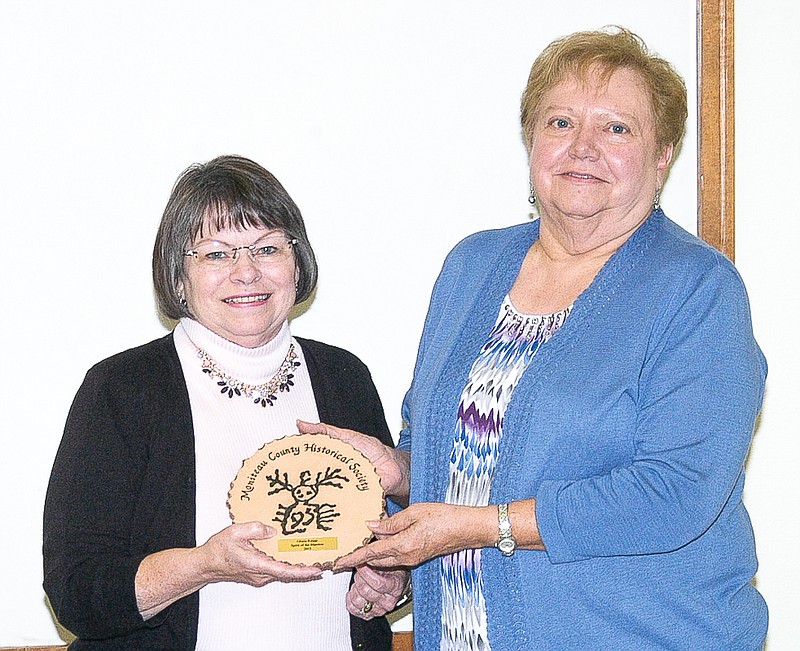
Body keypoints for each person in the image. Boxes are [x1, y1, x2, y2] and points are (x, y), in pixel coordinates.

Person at [300, 27, 768, 650]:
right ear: (531, 141)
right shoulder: (472, 266)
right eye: (560, 122)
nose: (583, 148)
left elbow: (677, 491)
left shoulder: (697, 290)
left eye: (617, 128)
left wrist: (478, 526)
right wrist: (400, 486)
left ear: (663, 157)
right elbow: (463, 454)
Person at [43, 155, 407, 650]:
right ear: (177, 277)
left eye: (267, 248)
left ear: (297, 265)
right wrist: (203, 566)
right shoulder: (122, 390)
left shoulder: (344, 378)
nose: (246, 272)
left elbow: (388, 536)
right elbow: (76, 591)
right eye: (216, 254)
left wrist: (386, 583)